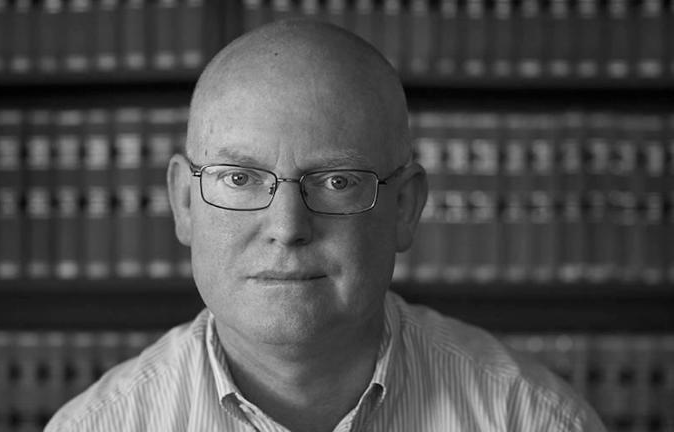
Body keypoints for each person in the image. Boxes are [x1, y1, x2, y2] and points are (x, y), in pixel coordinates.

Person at [45, 19, 606, 432]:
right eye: (240, 179)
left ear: (405, 207)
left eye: (336, 181)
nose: (287, 228)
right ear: (184, 203)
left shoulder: (534, 419)